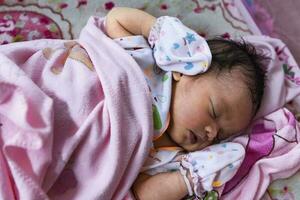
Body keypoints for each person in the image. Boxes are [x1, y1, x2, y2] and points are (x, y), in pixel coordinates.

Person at [105, 7, 266, 200]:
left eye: (220, 136)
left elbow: (142, 194)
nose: (211, 133)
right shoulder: (147, 67)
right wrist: (161, 32)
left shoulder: (173, 158)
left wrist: (188, 179)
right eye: (214, 112)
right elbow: (115, 20)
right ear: (187, 69)